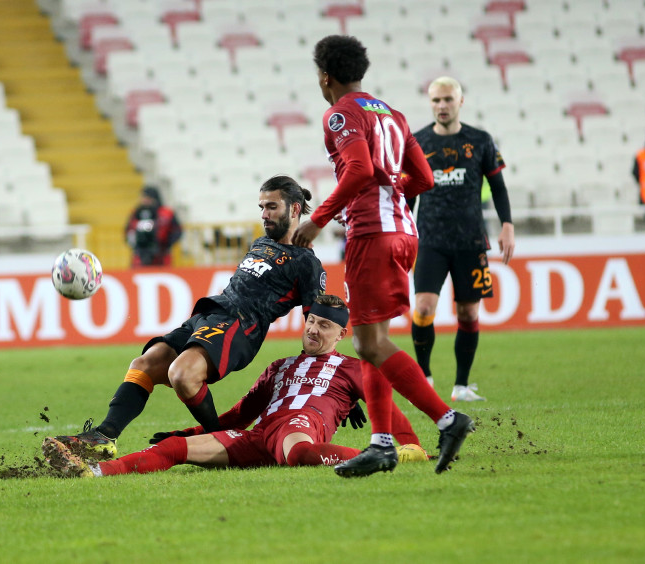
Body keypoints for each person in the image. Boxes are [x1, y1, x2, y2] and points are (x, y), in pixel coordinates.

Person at [291, 35, 474, 477]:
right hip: (403, 233)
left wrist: (318, 219)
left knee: (369, 342)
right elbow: (424, 178)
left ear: (325, 76)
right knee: (370, 341)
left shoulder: (340, 114)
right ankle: (381, 444)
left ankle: (448, 420)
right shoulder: (392, 113)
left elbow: (359, 169)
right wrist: (389, 200)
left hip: (373, 235)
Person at [51, 175, 326, 460]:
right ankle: (103, 437)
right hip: (209, 313)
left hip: (241, 325)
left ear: (295, 209)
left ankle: (220, 441)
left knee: (182, 375)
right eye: (261, 208)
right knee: (145, 363)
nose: (264, 215)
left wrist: (322, 373)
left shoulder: (307, 262)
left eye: (272, 207)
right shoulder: (260, 242)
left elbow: (317, 322)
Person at [42, 295, 429, 478]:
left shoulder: (353, 368)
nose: (313, 328)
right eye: (311, 320)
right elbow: (240, 415)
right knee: (172, 448)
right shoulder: (279, 366)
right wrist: (188, 431)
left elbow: (387, 409)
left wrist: (411, 445)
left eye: (324, 325)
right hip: (261, 436)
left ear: (342, 333)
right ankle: (93, 472)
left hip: (301, 427)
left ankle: (382, 456)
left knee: (299, 453)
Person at [409, 76, 515, 403]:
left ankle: (461, 386)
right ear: (430, 103)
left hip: (470, 240)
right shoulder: (417, 142)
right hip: (430, 239)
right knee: (424, 307)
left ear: (460, 101)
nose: (441, 106)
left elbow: (498, 186)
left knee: (468, 313)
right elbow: (408, 192)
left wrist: (507, 224)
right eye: (436, 101)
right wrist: (404, 232)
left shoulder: (481, 140)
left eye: (447, 100)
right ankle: (424, 377)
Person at [125, 185, 182, 267]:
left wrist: (166, 244)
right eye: (143, 197)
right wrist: (136, 244)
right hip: (140, 256)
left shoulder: (166, 213)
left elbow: (177, 231)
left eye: (147, 198)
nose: (144, 200)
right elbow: (128, 231)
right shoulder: (137, 213)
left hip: (162, 256)